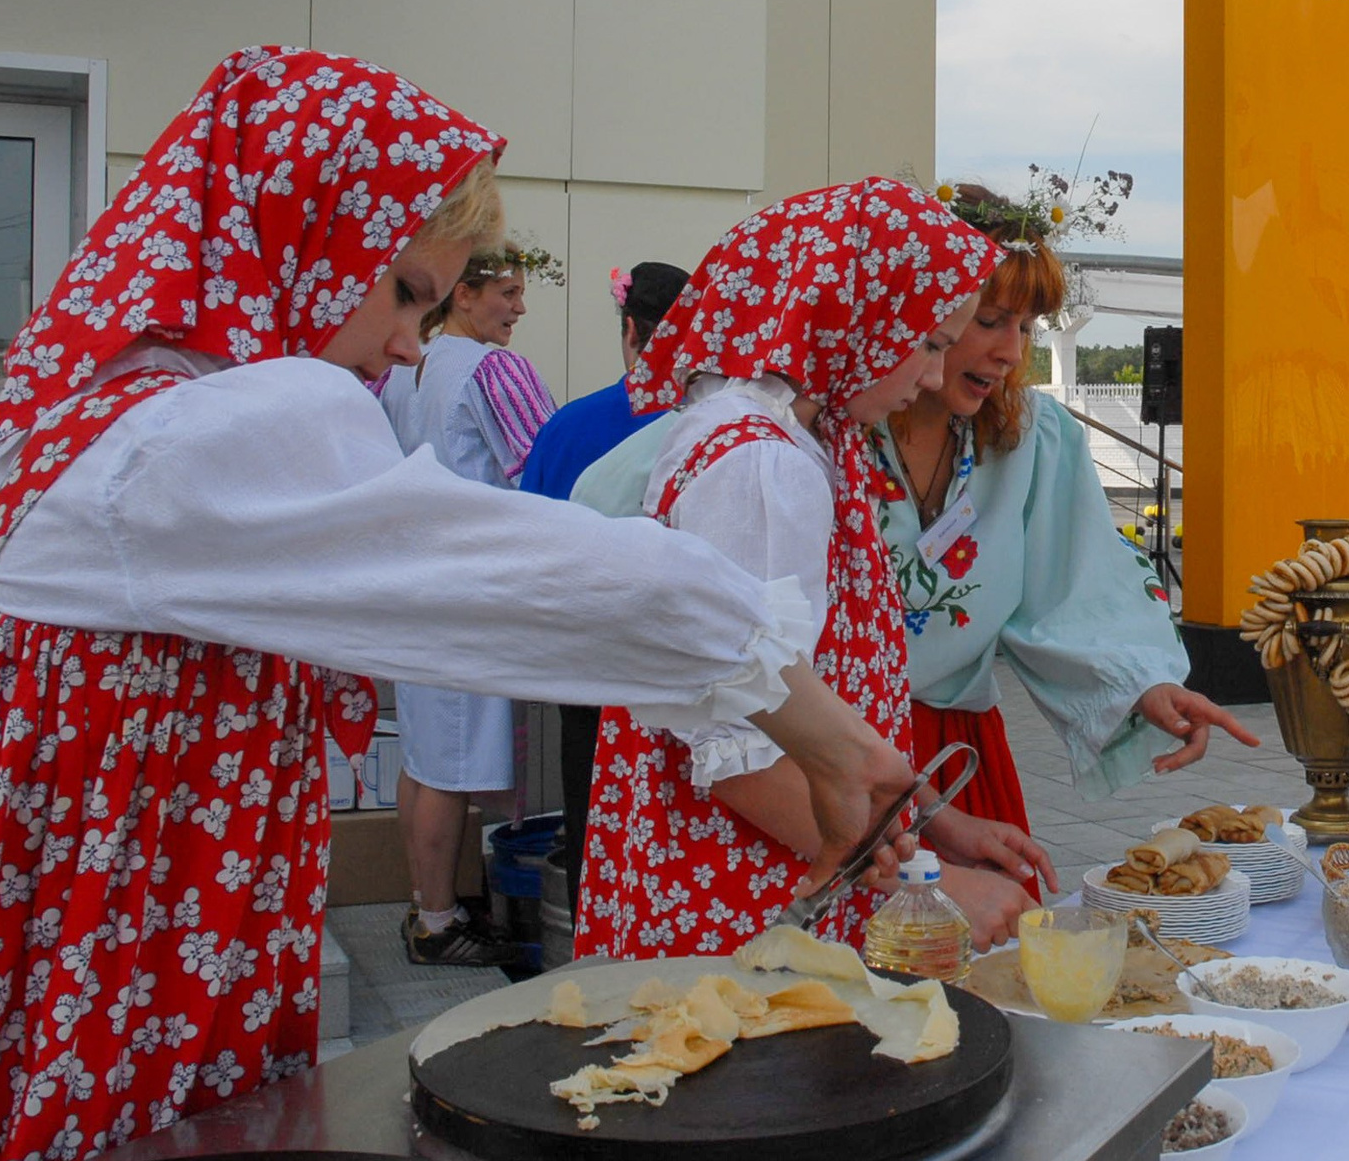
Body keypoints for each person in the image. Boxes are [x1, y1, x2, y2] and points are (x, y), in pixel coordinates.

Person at [0, 48, 919, 1161]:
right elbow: (547, 579)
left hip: (32, 948)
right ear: (287, 233)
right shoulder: (206, 435)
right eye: (399, 293)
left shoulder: (108, 414)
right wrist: (827, 729)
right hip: (96, 970)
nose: (403, 345)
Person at [578, 179, 1055, 959]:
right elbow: (742, 756)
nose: (932, 377)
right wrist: (925, 883)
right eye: (928, 343)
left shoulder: (786, 438)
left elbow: (818, 700)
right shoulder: (763, 463)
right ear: (851, 318)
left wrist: (937, 820)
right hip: (750, 895)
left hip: (780, 875)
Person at [872, 181, 1258, 829]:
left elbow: (1074, 583)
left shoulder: (1029, 438)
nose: (1011, 351)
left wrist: (1143, 682)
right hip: (825, 759)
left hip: (956, 758)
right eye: (988, 321)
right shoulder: (833, 426)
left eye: (1026, 327)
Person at [378, 246, 560, 965]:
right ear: (462, 293)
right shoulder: (493, 369)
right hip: (468, 591)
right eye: (508, 292)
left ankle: (428, 902)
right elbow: (542, 470)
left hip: (411, 583)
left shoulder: (401, 368)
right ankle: (438, 919)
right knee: (450, 765)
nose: (518, 307)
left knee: (424, 757)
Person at [518, 260, 692, 905]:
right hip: (681, 663)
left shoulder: (569, 426)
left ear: (629, 328)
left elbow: (533, 543)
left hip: (587, 658)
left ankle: (593, 942)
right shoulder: (719, 424)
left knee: (589, 814)